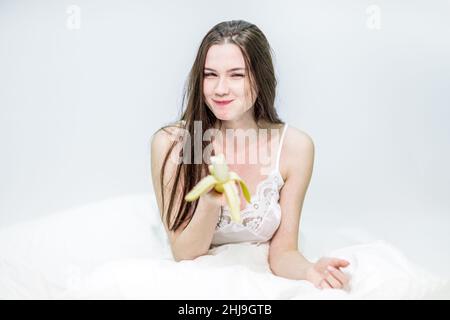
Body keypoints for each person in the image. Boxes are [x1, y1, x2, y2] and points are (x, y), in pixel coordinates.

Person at [151, 20, 350, 290]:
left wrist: (310, 271)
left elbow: (283, 253)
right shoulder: (172, 143)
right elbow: (183, 253)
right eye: (210, 75)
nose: (220, 89)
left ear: (261, 78)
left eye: (236, 75)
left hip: (256, 276)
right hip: (195, 278)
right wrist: (211, 201)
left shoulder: (295, 148)